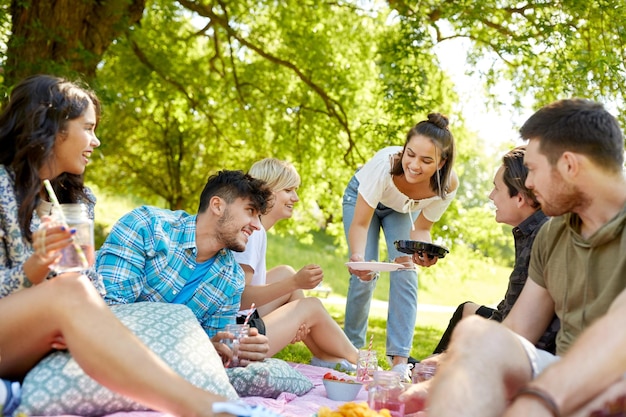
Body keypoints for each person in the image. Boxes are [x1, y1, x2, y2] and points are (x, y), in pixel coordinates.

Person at [0, 74, 270, 417]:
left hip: (38, 339)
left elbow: (90, 291)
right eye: (88, 128)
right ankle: (201, 407)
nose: (96, 141)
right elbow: (66, 290)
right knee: (71, 292)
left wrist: (76, 313)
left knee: (79, 293)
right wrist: (36, 268)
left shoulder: (72, 202)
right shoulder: (2, 189)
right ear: (51, 126)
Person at [400, 98, 626, 416]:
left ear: (570, 166)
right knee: (473, 331)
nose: (528, 184)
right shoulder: (553, 234)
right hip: (556, 368)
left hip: (613, 376)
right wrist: (449, 371)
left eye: (532, 170)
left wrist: (538, 400)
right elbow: (517, 328)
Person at [97, 169, 274, 367]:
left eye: (259, 217)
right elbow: (108, 312)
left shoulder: (232, 279)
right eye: (250, 211)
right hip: (103, 354)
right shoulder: (147, 227)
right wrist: (192, 345)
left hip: (166, 373)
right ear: (217, 206)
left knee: (267, 371)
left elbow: (213, 354)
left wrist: (235, 351)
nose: (257, 226)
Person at [342, 113, 458, 377]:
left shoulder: (447, 184)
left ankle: (399, 364)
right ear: (403, 149)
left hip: (401, 211)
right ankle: (350, 353)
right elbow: (360, 224)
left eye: (426, 160)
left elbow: (423, 228)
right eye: (410, 154)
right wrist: (358, 257)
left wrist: (422, 252)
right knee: (365, 275)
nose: (414, 165)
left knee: (406, 271)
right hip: (362, 199)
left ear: (442, 163)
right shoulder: (384, 166)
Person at [233, 158, 359, 371]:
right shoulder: (252, 230)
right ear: (267, 190)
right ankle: (360, 360)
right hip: (235, 339)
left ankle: (324, 355)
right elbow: (239, 298)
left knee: (284, 272)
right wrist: (294, 283)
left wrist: (297, 322)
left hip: (238, 327)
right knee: (310, 306)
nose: (296, 198)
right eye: (289, 190)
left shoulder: (254, 226)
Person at [431, 146, 558, 356]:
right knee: (468, 310)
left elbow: (519, 328)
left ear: (519, 198)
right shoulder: (530, 231)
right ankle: (428, 368)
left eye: (497, 189)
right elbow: (509, 307)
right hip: (517, 335)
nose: (491, 196)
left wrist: (453, 358)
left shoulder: (541, 236)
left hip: (529, 351)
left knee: (469, 325)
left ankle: (433, 371)